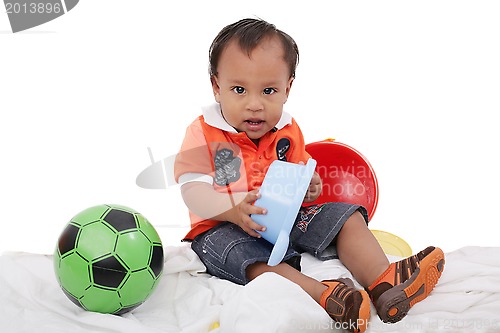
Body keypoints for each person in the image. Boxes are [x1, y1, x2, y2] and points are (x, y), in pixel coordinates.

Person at [174, 18, 445, 333]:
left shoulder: (287, 131)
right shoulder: (203, 132)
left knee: (345, 216)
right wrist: (233, 210)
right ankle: (328, 296)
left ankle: (384, 283)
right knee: (250, 260)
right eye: (239, 89)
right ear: (216, 87)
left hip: (284, 220)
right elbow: (192, 191)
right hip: (223, 228)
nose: (254, 104)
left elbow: (301, 175)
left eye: (268, 90)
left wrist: (309, 187)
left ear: (287, 89)